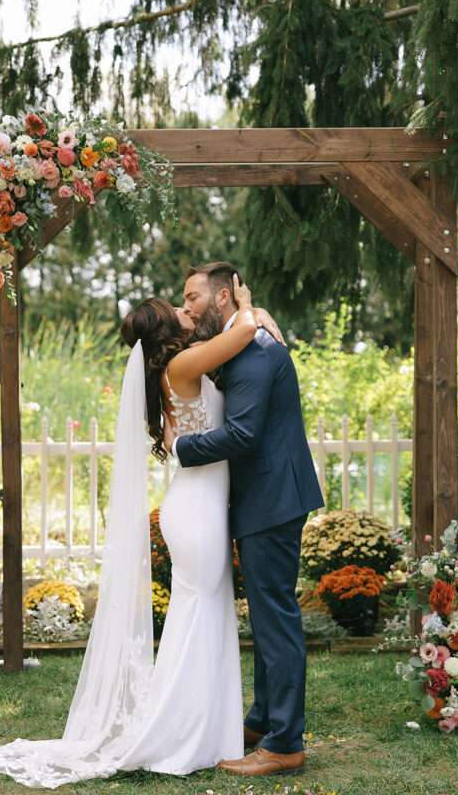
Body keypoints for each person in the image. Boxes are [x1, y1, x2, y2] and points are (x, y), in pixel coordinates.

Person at [0, 277, 270, 787]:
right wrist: (246, 303)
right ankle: (176, 733)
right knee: (198, 618)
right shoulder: (181, 365)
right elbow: (243, 327)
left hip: (197, 506)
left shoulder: (183, 363)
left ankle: (205, 730)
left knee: (202, 616)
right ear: (163, 328)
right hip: (197, 512)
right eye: (175, 309)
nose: (186, 309)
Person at [163, 262, 323, 779]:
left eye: (192, 297)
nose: (185, 307)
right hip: (263, 497)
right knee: (266, 614)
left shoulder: (253, 350)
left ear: (225, 298)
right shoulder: (241, 339)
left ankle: (284, 743)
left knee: (275, 619)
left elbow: (242, 435)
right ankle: (261, 718)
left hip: (272, 498)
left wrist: (180, 448)